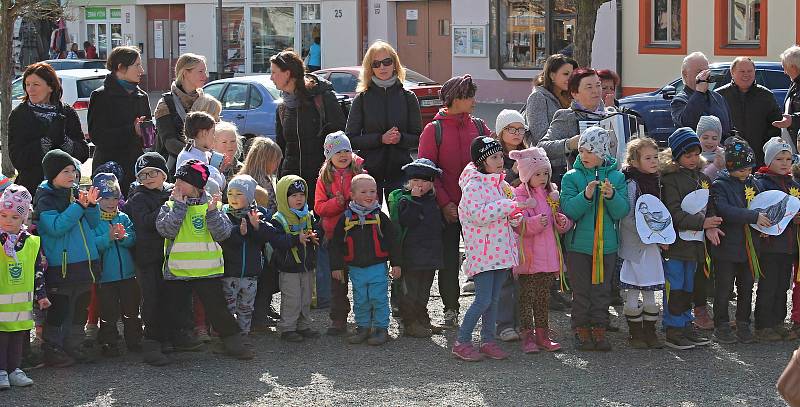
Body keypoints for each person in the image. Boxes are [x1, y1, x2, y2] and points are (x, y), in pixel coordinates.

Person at [156, 159, 253, 360]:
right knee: (172, 307)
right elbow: (165, 230)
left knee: (218, 309)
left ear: (196, 186)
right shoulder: (170, 204)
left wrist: (211, 214)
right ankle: (161, 342)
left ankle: (233, 342)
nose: (177, 185)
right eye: (177, 180)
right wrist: (179, 209)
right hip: (178, 270)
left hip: (207, 270)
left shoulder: (213, 206)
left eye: (182, 181)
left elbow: (224, 234)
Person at [417, 74, 492, 328]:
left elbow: (494, 162)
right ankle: (451, 308)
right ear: (455, 99)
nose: (473, 100)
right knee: (448, 260)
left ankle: (488, 307)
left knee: (485, 257)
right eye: (468, 96)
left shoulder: (480, 127)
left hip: (480, 209)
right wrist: (445, 203)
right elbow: (428, 170)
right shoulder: (433, 130)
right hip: (447, 209)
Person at [451, 137, 523, 362]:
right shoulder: (474, 185)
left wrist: (513, 218)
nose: (500, 160)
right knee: (482, 300)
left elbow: (503, 213)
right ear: (482, 162)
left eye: (500, 155)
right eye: (494, 157)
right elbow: (479, 215)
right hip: (483, 255)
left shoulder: (500, 184)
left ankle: (488, 341)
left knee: (493, 300)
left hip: (500, 252)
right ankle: (461, 341)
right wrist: (509, 206)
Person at [560, 127, 628, 351]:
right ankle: (580, 328)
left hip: (606, 246)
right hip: (578, 246)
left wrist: (612, 196)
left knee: (601, 289)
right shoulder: (572, 177)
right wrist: (586, 195)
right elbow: (568, 209)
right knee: (581, 290)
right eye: (582, 150)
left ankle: (599, 327)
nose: (585, 155)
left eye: (591, 150)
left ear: (604, 153)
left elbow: (621, 212)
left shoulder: (617, 178)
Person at [33, 149, 102, 367]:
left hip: (84, 263)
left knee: (80, 306)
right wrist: (78, 207)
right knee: (59, 308)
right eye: (65, 171)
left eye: (74, 170)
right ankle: (52, 348)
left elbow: (93, 223)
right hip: (61, 266)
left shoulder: (75, 194)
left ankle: (75, 344)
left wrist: (91, 205)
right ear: (52, 174)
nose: (72, 175)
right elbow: (55, 227)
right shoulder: (46, 197)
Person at [659, 127, 719, 350]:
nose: (693, 159)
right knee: (675, 285)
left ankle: (685, 323)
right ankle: (673, 328)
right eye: (687, 155)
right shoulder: (670, 179)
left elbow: (709, 204)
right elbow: (673, 212)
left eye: (696, 154)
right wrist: (702, 223)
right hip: (675, 245)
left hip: (695, 245)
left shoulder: (703, 178)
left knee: (688, 285)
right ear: (676, 156)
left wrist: (712, 222)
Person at [510, 147, 571, 353]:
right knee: (527, 297)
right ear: (526, 174)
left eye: (546, 173)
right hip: (528, 258)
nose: (543, 177)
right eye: (537, 173)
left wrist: (562, 222)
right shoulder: (519, 194)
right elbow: (517, 224)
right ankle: (527, 335)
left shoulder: (550, 194)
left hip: (548, 257)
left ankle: (543, 333)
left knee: (543, 297)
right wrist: (536, 222)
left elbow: (558, 224)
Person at [220, 175, 296, 337]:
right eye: (231, 193)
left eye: (239, 194)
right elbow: (223, 238)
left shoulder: (258, 214)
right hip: (229, 272)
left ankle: (244, 334)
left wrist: (257, 227)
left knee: (247, 307)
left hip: (251, 273)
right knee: (228, 307)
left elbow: (270, 236)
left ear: (248, 197)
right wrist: (238, 232)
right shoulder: (225, 214)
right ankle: (228, 336)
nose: (233, 198)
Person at [345, 40, 422, 200]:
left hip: (401, 172)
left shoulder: (408, 97)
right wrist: (381, 139)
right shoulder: (362, 98)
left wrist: (400, 138)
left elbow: (418, 139)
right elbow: (351, 139)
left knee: (401, 222)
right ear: (370, 68)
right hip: (369, 174)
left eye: (387, 62)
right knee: (371, 223)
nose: (382, 67)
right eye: (376, 64)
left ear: (395, 64)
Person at [271, 49, 346, 210]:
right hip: (292, 180)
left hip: (320, 180)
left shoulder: (322, 98)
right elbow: (282, 147)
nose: (271, 78)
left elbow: (339, 137)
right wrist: (282, 179)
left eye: (274, 72)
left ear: (288, 73)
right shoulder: (283, 106)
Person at [122, 152, 178, 366]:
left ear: (164, 174)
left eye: (153, 172)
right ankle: (151, 342)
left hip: (168, 256)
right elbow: (145, 222)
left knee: (168, 298)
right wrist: (166, 207)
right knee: (151, 299)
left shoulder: (171, 192)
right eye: (143, 175)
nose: (148, 177)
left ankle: (167, 337)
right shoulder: (138, 197)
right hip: (147, 258)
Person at [330, 174, 398, 346]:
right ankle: (363, 327)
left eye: (373, 191)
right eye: (364, 192)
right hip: (356, 269)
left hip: (377, 267)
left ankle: (381, 329)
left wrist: (396, 263)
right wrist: (336, 266)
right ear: (352, 195)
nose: (370, 195)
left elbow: (393, 241)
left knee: (378, 298)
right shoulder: (346, 218)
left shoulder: (380, 217)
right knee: (361, 299)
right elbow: (336, 244)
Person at [8, 63, 90, 194]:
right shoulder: (20, 114)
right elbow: (18, 158)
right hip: (32, 190)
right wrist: (46, 141)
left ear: (51, 87)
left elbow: (83, 153)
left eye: (36, 84)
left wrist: (64, 141)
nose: (30, 89)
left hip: (65, 191)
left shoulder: (67, 112)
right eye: (27, 84)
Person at [709, 137, 760, 344]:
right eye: (741, 170)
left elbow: (763, 205)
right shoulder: (720, 185)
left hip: (749, 247)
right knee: (723, 288)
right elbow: (724, 210)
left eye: (748, 169)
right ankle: (721, 325)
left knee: (747, 287)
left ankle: (743, 324)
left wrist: (767, 225)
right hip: (726, 247)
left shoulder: (753, 183)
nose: (746, 173)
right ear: (730, 167)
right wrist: (753, 217)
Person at [314, 132, 364, 335]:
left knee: (361, 278)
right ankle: (339, 319)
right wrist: (337, 203)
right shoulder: (324, 178)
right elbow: (319, 207)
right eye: (338, 151)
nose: (343, 155)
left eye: (346, 150)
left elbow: (371, 195)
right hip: (334, 235)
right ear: (329, 155)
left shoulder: (360, 172)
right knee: (338, 279)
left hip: (359, 233)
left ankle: (364, 317)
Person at [618, 137, 666, 349]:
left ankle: (650, 332)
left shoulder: (657, 182)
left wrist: (661, 236)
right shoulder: (631, 184)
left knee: (649, 291)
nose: (654, 161)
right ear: (635, 161)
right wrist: (646, 233)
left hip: (651, 247)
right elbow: (627, 216)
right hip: (633, 245)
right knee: (633, 291)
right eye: (648, 158)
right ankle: (635, 333)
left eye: (656, 157)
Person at [0, 185, 49, 389]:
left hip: (21, 305)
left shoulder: (31, 243)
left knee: (18, 337)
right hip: (1, 305)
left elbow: (37, 271)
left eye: (14, 217)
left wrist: (41, 295)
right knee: (2, 338)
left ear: (23, 219)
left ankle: (14, 369)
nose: (7, 221)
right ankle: (1, 370)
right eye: (3, 215)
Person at [88, 46, 151, 196]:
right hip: (109, 170)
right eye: (137, 65)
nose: (141, 70)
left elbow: (147, 138)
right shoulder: (101, 96)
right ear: (121, 68)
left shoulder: (142, 96)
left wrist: (148, 133)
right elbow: (97, 136)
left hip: (136, 169)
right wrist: (132, 130)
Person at [754, 137, 800, 341]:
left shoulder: (793, 184)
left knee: (783, 285)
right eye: (779, 158)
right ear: (769, 160)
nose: (784, 163)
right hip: (769, 245)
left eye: (788, 159)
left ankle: (778, 321)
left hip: (789, 245)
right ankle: (763, 324)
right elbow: (757, 210)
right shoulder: (761, 183)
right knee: (768, 285)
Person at [90, 173, 141, 357]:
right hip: (106, 277)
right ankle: (109, 342)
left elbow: (133, 238)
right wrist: (108, 238)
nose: (111, 202)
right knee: (108, 312)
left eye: (114, 198)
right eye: (105, 198)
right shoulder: (94, 219)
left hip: (128, 275)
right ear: (97, 197)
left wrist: (124, 238)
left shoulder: (123, 218)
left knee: (132, 310)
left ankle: (134, 340)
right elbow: (93, 245)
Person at [393, 158, 445, 338]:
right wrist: (414, 200)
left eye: (424, 181)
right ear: (408, 183)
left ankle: (422, 317)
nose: (420, 185)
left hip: (429, 257)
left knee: (424, 291)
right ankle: (410, 322)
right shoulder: (405, 201)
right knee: (410, 292)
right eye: (415, 181)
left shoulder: (433, 201)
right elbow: (407, 221)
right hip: (411, 257)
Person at [238, 137, 283, 331]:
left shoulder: (261, 177)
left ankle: (263, 309)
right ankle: (259, 314)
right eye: (275, 161)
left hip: (262, 234)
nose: (277, 165)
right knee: (264, 277)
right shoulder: (255, 183)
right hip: (260, 236)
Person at [538, 68, 607, 186]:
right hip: (580, 184)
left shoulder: (613, 115)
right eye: (589, 87)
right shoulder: (568, 117)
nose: (596, 91)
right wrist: (569, 144)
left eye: (598, 85)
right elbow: (542, 147)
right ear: (575, 94)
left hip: (610, 182)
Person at [493, 109, 526, 342]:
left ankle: (523, 322)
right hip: (502, 224)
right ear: (500, 132)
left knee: (524, 274)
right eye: (510, 129)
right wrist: (513, 175)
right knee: (505, 277)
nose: (516, 133)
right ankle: (504, 324)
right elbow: (495, 188)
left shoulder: (528, 153)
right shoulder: (494, 157)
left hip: (526, 221)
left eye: (520, 129)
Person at [272, 176, 318, 342]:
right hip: (289, 266)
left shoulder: (307, 215)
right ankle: (287, 328)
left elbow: (315, 230)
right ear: (284, 198)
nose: (299, 198)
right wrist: (295, 239)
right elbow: (276, 241)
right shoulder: (279, 219)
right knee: (292, 298)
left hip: (306, 264)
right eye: (293, 196)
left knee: (306, 297)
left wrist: (314, 236)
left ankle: (303, 325)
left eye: (301, 194)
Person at [716, 57, 782, 167]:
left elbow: (775, 127)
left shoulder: (766, 96)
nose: (746, 74)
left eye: (750, 71)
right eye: (742, 71)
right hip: (728, 158)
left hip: (759, 159)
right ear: (732, 73)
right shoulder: (720, 96)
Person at [154, 53, 210, 174]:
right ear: (185, 73)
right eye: (200, 71)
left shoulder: (206, 101)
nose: (205, 76)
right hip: (176, 169)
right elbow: (169, 142)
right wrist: (196, 155)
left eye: (205, 71)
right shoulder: (165, 104)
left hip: (206, 167)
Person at [670, 52, 732, 136]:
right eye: (699, 72)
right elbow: (687, 123)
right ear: (685, 74)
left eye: (706, 72)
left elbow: (729, 127)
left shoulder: (718, 98)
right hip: (696, 148)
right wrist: (699, 93)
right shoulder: (679, 100)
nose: (704, 76)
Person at [524, 54, 577, 146]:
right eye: (566, 74)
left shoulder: (567, 96)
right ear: (552, 75)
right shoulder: (538, 97)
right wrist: (569, 144)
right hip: (545, 158)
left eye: (572, 75)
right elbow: (540, 137)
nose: (570, 78)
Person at [175, 111, 226, 193]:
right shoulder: (187, 158)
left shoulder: (207, 154)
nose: (214, 138)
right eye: (213, 133)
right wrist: (216, 172)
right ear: (204, 133)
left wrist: (220, 172)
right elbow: (211, 186)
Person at [774, 46, 800, 149]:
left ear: (793, 67)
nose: (784, 71)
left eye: (784, 66)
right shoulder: (794, 83)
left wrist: (793, 120)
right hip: (792, 142)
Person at [214, 121, 244, 187]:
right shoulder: (209, 168)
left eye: (233, 141)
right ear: (214, 144)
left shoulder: (243, 169)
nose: (229, 145)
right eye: (224, 142)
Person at [698, 115, 726, 183]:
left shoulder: (724, 155)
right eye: (705, 138)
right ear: (698, 137)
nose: (709, 142)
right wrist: (715, 166)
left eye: (714, 138)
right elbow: (698, 183)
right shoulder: (693, 156)